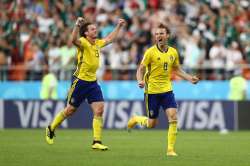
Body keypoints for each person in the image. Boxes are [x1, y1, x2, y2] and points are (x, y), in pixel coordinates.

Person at [45, 17, 126, 150]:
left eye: (95, 28)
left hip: (93, 83)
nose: (96, 30)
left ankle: (96, 142)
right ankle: (51, 128)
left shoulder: (97, 43)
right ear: (86, 33)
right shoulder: (82, 42)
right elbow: (72, 40)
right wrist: (77, 25)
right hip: (80, 81)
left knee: (99, 109)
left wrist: (119, 26)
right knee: (70, 110)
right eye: (92, 29)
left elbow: (110, 38)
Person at [127, 24, 199, 156]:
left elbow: (176, 69)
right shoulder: (150, 52)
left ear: (167, 36)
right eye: (156, 34)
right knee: (152, 124)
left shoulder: (173, 52)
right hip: (152, 92)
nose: (158, 36)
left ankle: (170, 150)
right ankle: (136, 119)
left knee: (173, 117)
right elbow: (141, 69)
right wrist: (140, 80)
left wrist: (189, 78)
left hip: (167, 90)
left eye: (161, 33)